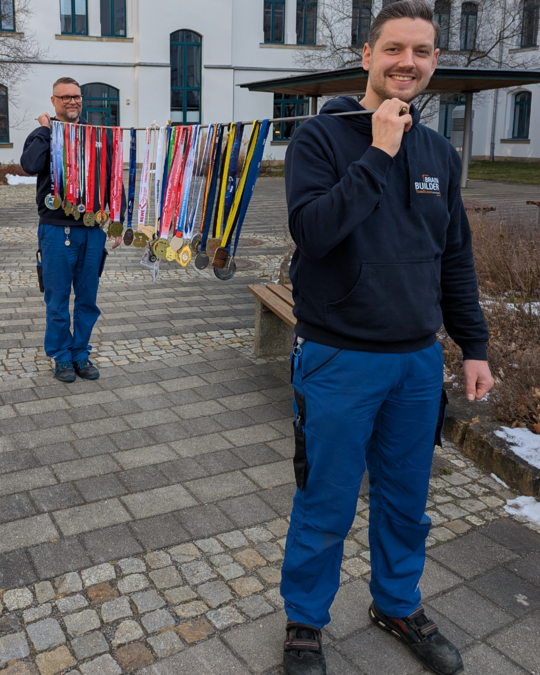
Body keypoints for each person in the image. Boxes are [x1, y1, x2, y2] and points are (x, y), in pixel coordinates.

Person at [281, 2, 494, 674]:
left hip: (416, 364)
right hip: (340, 358)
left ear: (434, 61)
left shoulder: (439, 153)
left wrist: (476, 344)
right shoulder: (322, 138)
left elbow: (452, 255)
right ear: (367, 54)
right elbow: (313, 234)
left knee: (407, 503)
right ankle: (305, 624)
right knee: (325, 502)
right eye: (395, 48)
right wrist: (378, 149)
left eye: (422, 51)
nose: (408, 62)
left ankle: (396, 602)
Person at [21, 77, 125, 383]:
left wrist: (117, 224)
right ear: (53, 101)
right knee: (57, 299)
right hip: (56, 230)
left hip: (92, 229)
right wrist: (45, 130)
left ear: (82, 100)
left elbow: (112, 179)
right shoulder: (43, 135)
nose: (72, 101)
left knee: (87, 298)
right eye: (64, 97)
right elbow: (29, 165)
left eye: (76, 96)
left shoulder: (95, 135)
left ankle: (80, 353)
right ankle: (61, 356)